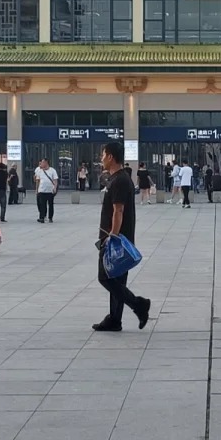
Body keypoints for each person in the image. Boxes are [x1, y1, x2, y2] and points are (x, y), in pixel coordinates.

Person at [94, 140, 151, 332]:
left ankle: (138, 305)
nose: (101, 158)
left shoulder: (119, 180)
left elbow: (118, 211)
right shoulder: (119, 178)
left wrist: (112, 237)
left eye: (103, 155)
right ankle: (114, 319)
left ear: (110, 156)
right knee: (117, 280)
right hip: (119, 237)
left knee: (105, 277)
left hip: (116, 239)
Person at [35, 158, 59, 224]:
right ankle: (42, 217)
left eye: (42, 162)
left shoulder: (52, 170)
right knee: (42, 205)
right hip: (42, 190)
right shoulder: (39, 171)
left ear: (46, 163)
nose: (41, 164)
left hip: (50, 191)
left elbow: (55, 180)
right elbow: (37, 181)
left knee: (50, 204)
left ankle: (50, 217)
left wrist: (55, 188)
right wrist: (37, 190)